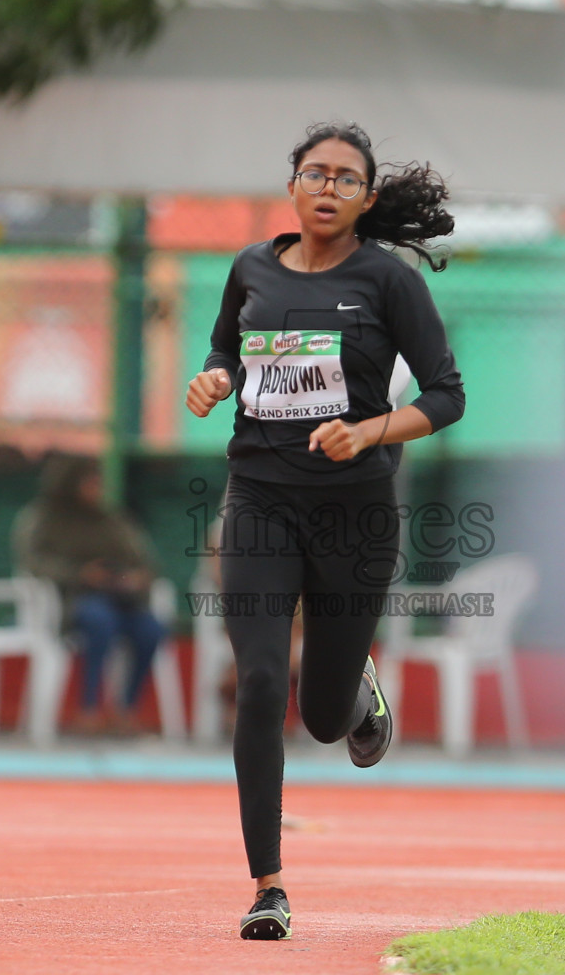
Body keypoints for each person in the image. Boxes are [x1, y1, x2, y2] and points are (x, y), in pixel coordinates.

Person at [185, 121, 465, 940]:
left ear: (367, 198)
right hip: (260, 504)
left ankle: (355, 686)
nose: (330, 187)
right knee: (262, 683)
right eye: (316, 173)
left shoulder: (388, 280)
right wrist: (213, 378)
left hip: (355, 514)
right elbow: (228, 350)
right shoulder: (252, 268)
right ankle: (268, 886)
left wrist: (369, 430)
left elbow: (447, 395)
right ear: (294, 186)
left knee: (319, 714)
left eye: (347, 178)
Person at [12, 455, 165, 736]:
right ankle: (88, 709)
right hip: (69, 603)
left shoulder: (112, 520)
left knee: (151, 629)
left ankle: (125, 709)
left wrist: (129, 579)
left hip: (122, 601)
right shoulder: (43, 519)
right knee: (99, 620)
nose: (97, 488)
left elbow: (145, 563)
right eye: (90, 482)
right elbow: (33, 563)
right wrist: (81, 574)